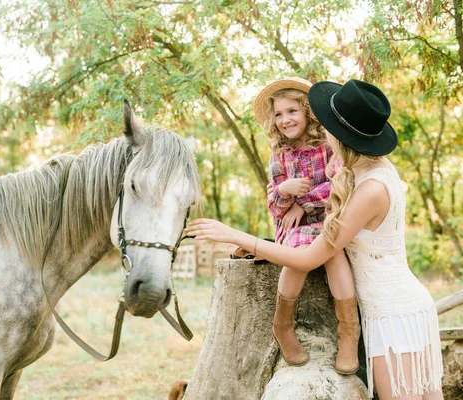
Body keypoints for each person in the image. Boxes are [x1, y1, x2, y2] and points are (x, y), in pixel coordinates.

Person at [186, 79, 443, 399]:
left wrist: (233, 235)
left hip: (394, 315)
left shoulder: (369, 189)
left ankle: (341, 329)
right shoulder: (368, 170)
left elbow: (310, 258)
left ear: (341, 136)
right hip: (399, 307)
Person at [251, 77, 359, 373]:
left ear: (307, 112)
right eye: (278, 114)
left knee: (332, 249)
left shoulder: (327, 143)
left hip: (330, 218)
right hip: (295, 231)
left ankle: (349, 332)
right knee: (300, 255)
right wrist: (285, 190)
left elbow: (341, 183)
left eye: (292, 111)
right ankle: (282, 325)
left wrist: (304, 201)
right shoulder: (279, 155)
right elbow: (275, 206)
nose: (285, 120)